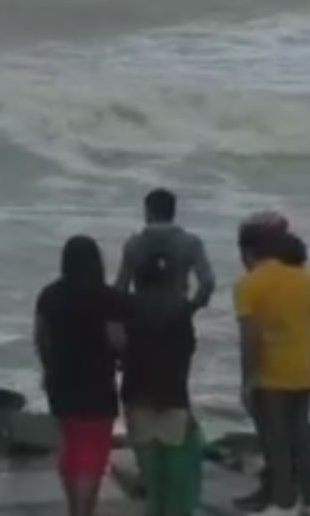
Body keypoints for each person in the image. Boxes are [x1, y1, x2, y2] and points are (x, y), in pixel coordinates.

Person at [114, 188, 214, 516]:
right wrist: (189, 307)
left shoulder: (134, 244)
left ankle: (151, 480)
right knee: (174, 386)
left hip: (141, 324)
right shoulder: (190, 243)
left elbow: (120, 288)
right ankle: (172, 461)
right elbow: (208, 282)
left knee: (138, 384)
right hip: (176, 324)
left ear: (148, 211)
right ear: (173, 211)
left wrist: (127, 314)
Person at [35, 236, 129, 516]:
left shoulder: (50, 295)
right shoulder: (108, 297)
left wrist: (48, 367)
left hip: (61, 382)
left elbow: (41, 337)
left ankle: (76, 508)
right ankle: (83, 511)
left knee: (72, 445)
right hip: (97, 382)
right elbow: (118, 340)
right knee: (94, 451)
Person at [235, 215, 310, 516]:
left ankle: (284, 504)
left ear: (248, 252)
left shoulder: (250, 285)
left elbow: (249, 339)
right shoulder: (303, 278)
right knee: (301, 438)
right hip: (305, 371)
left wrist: (248, 380)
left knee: (276, 444)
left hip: (272, 377)